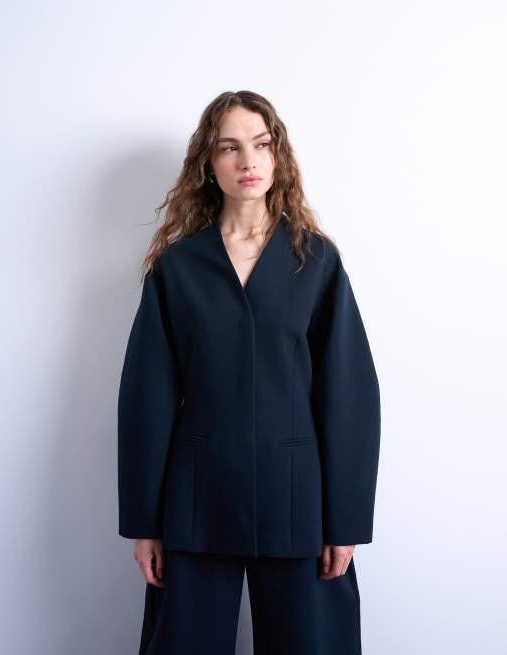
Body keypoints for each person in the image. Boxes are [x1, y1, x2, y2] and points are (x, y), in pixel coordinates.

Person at [117, 90, 381, 655]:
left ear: (277, 155)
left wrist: (347, 522)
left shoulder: (315, 261)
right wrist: (145, 523)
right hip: (196, 501)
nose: (248, 161)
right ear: (208, 164)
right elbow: (146, 400)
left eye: (261, 145)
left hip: (298, 503)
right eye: (229, 147)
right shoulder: (178, 268)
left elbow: (349, 396)